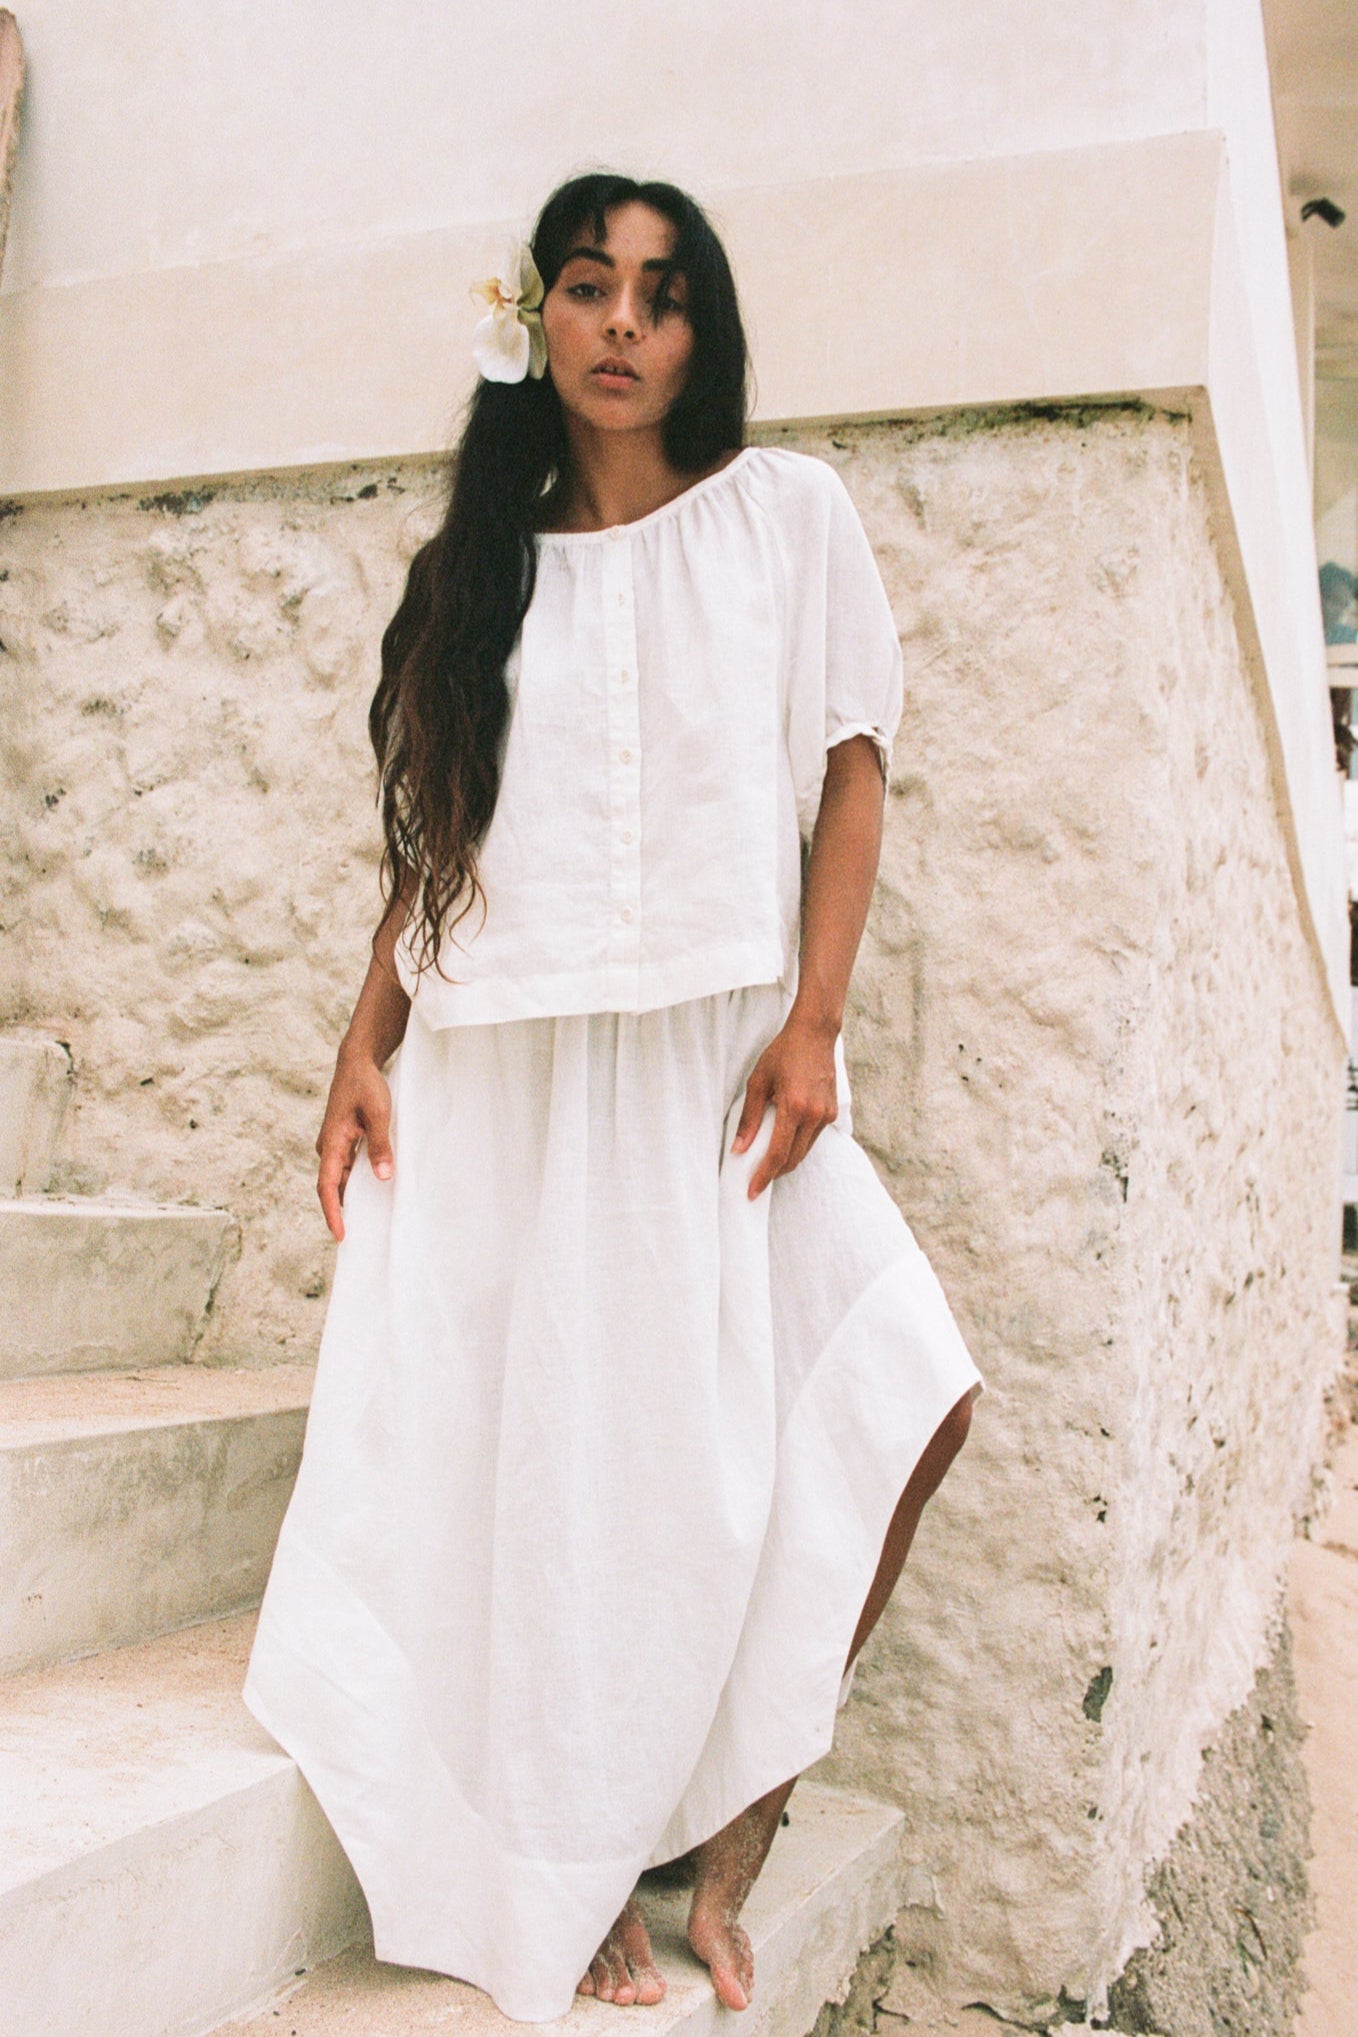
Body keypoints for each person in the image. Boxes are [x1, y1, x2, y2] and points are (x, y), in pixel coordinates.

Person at [242, 170, 983, 2024]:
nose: (625, 324)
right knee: (572, 1477)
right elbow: (439, 844)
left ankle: (732, 1826)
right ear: (539, 324)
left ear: (701, 329)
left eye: (661, 294)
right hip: (513, 1070)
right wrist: (364, 1041)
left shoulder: (787, 519)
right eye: (589, 289)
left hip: (724, 1070)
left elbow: (850, 772)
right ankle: (563, 1865)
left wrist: (815, 1023)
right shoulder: (470, 576)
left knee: (906, 1384)